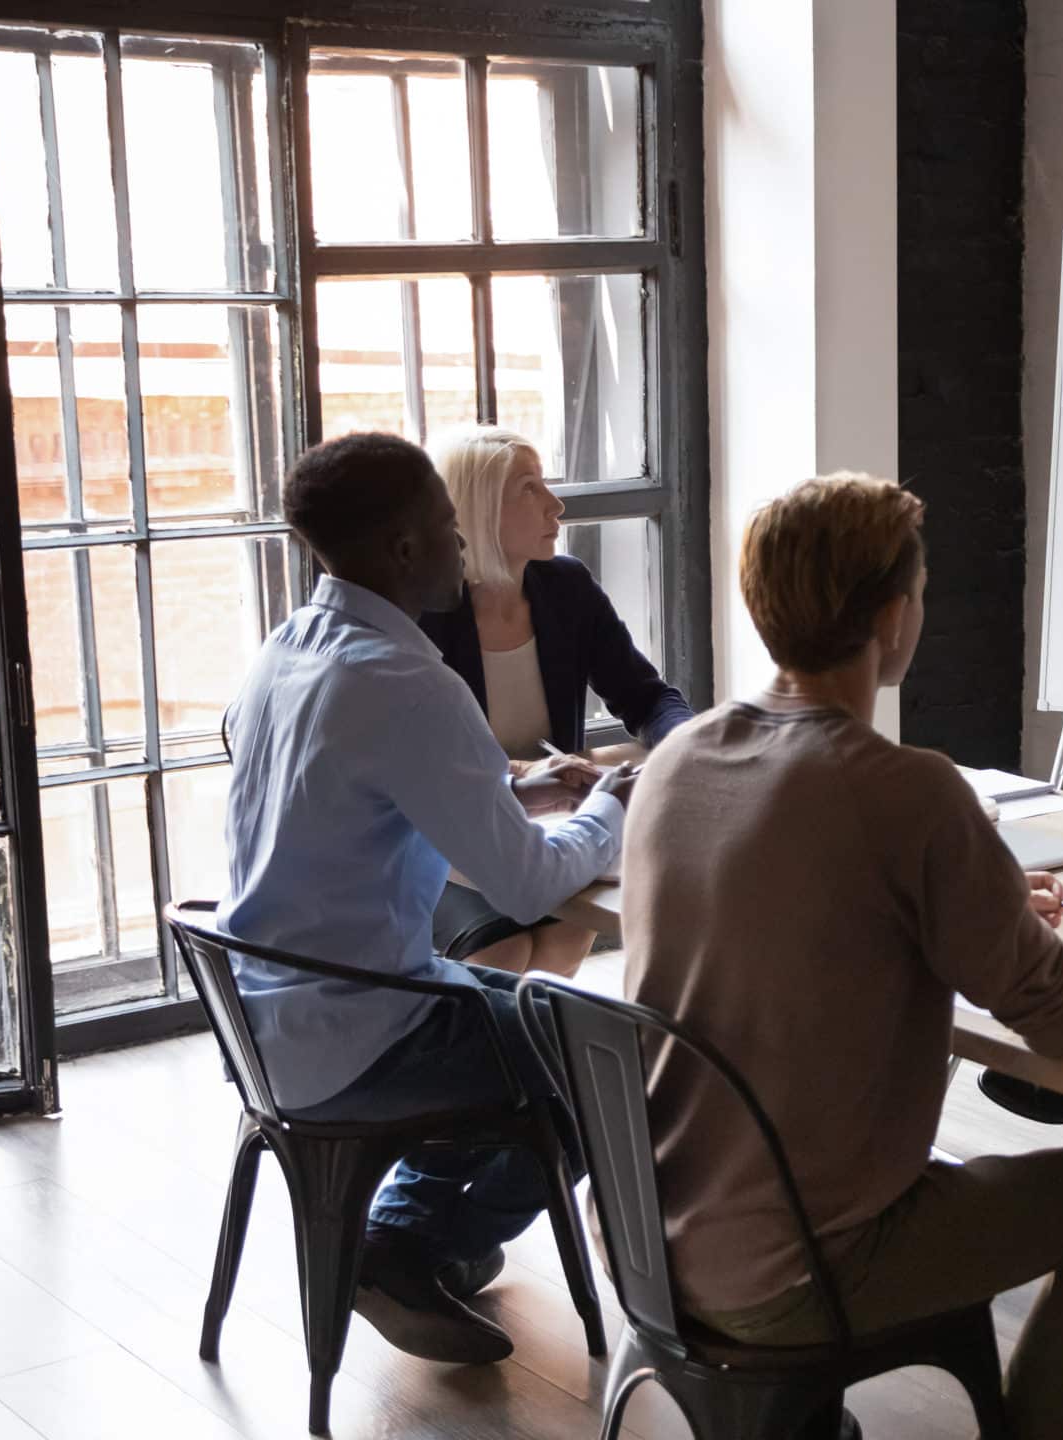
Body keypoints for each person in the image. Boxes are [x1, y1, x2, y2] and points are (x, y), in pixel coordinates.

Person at [624, 473, 1063, 1440]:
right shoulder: (907, 791)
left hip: (650, 1235)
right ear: (891, 617)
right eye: (919, 588)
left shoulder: (678, 760)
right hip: (800, 1265)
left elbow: (816, 917)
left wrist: (985, 899)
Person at [218, 431, 631, 1366]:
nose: (459, 544)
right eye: (447, 528)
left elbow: (351, 791)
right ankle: (413, 1248)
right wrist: (606, 804)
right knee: (603, 1062)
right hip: (364, 1025)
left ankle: (405, 1244)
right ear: (405, 549)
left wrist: (512, 791)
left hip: (271, 1017)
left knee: (535, 1012)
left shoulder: (287, 648)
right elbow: (525, 882)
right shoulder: (409, 681)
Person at [417, 425, 693, 977]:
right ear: (478, 509)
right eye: (530, 488)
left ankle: (537, 1063)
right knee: (503, 955)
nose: (556, 505)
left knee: (562, 943)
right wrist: (527, 768)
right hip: (453, 840)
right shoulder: (427, 614)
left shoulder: (566, 587)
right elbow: (428, 762)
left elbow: (644, 695)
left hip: (557, 825)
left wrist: (691, 745)